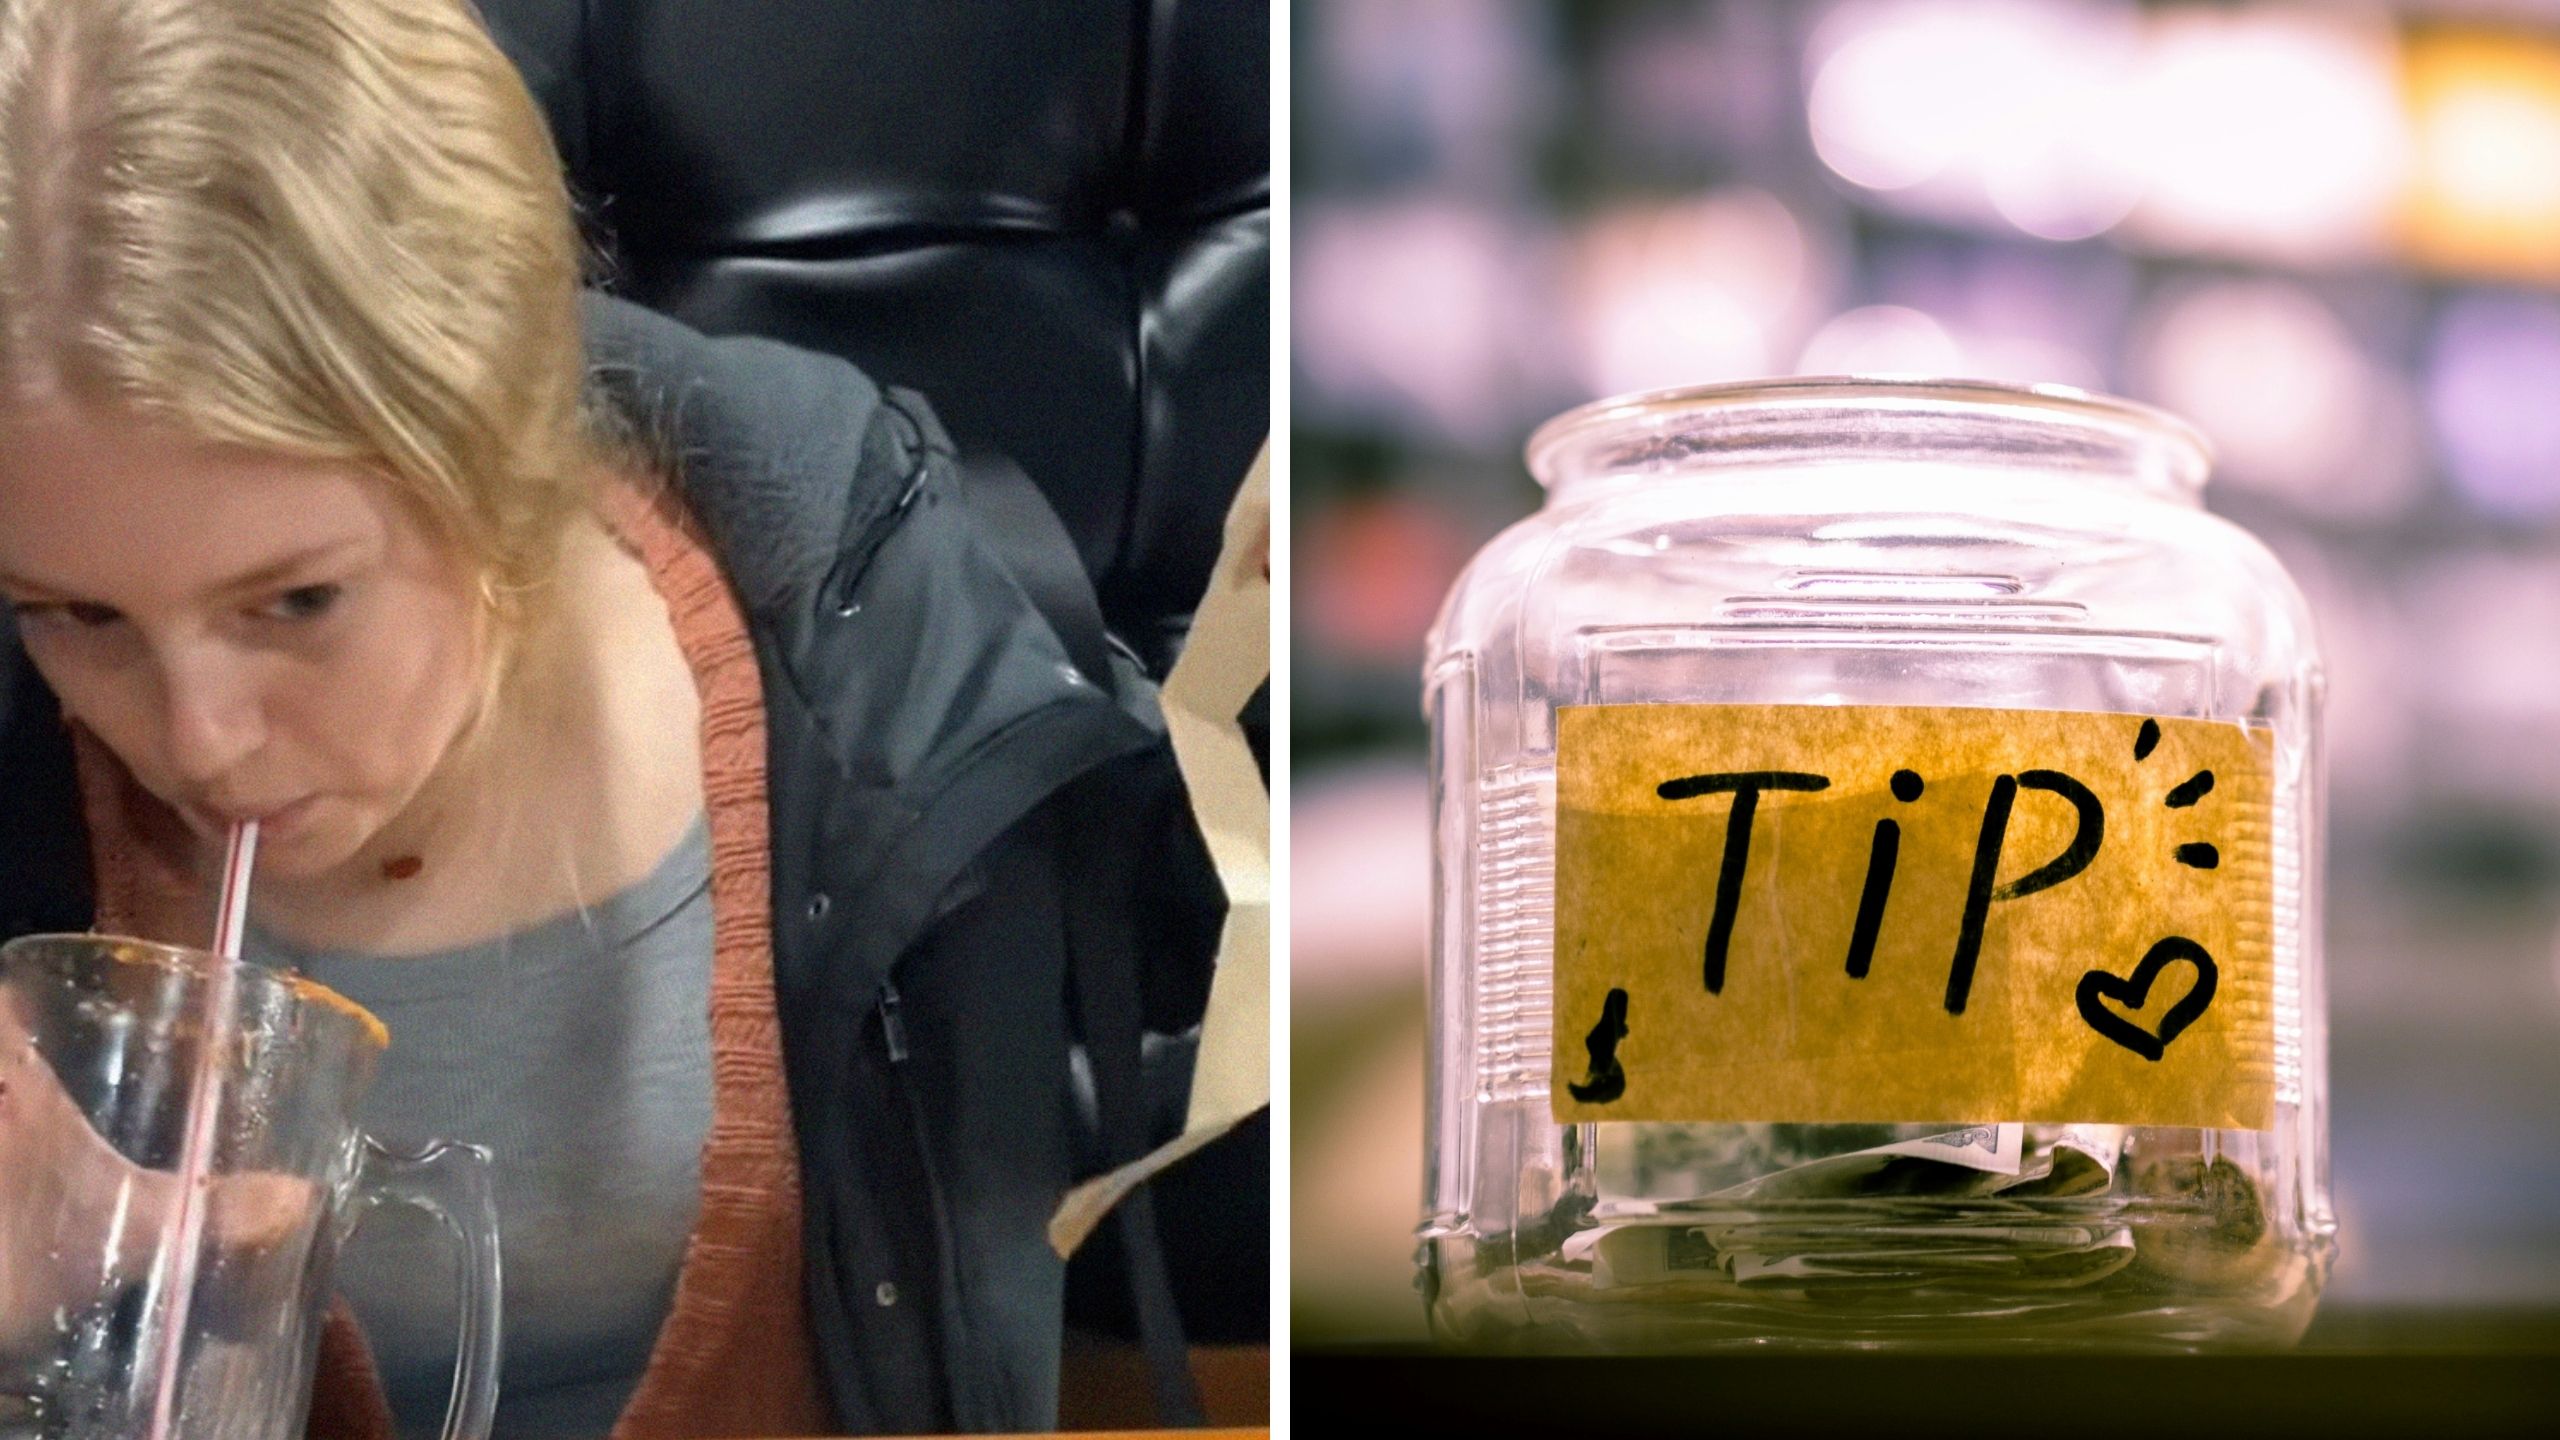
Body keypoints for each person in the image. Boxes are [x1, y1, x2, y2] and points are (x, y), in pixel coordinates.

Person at [0, 0, 1224, 1435]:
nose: (198, 742)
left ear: (509, 432)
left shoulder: (870, 658)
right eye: (77, 616)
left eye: (297, 602)